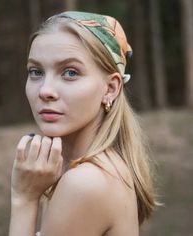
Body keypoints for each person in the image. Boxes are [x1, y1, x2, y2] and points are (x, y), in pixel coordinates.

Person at [9, 11, 158, 236]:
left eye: (70, 72)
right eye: (36, 72)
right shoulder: (88, 169)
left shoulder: (85, 183)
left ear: (110, 88)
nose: (45, 90)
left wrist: (24, 200)